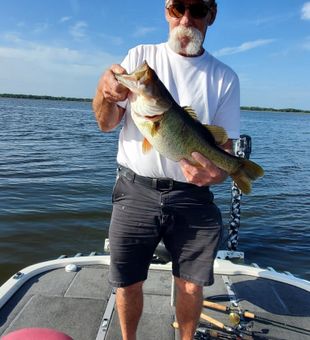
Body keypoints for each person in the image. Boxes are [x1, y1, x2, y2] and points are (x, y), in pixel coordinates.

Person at [92, 0, 240, 339]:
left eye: (198, 9)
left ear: (211, 17)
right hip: (135, 190)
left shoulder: (225, 78)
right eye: (178, 7)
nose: (186, 18)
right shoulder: (140, 56)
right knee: (127, 282)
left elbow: (224, 146)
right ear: (166, 10)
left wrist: (220, 172)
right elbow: (105, 123)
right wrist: (105, 93)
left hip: (192, 197)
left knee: (190, 286)